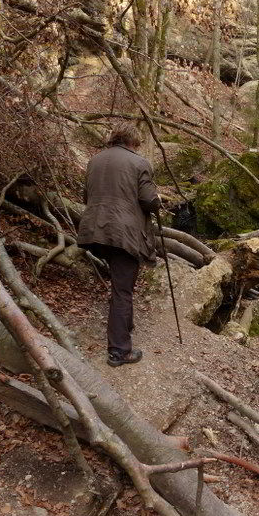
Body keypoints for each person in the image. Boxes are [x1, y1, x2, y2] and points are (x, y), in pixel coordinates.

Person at [77, 123, 160, 367]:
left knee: (121, 283)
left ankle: (126, 325)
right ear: (134, 141)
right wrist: (157, 201)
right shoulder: (139, 163)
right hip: (123, 234)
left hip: (95, 230)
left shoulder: (95, 160)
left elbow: (87, 196)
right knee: (122, 290)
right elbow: (148, 201)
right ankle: (119, 352)